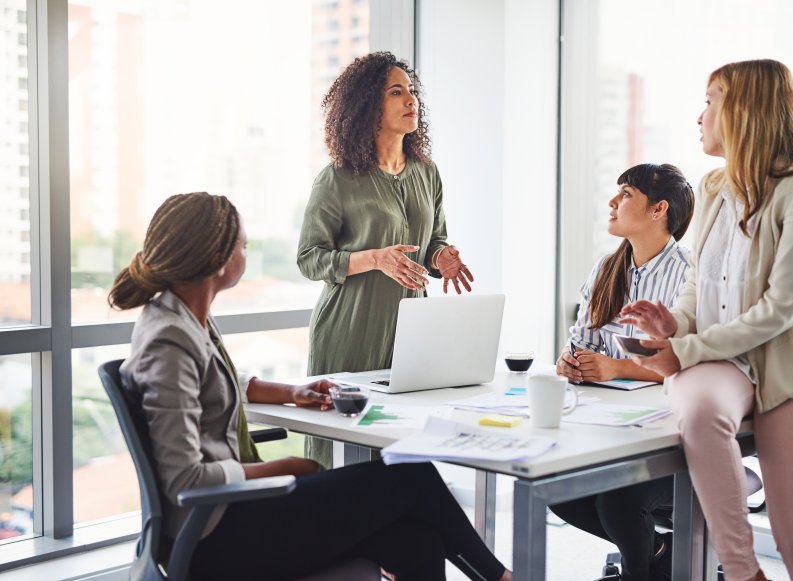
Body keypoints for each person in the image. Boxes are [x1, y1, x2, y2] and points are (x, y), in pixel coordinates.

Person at [110, 192, 510, 581]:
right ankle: (500, 577)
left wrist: (289, 392)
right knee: (409, 475)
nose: (246, 252)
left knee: (416, 542)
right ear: (216, 259)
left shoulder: (184, 316)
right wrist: (284, 467)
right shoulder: (168, 340)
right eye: (243, 245)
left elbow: (216, 381)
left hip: (232, 518)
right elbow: (184, 481)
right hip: (216, 539)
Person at [620, 59, 793, 581]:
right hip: (727, 363)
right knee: (698, 411)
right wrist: (671, 323)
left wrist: (686, 350)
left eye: (710, 101)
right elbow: (702, 289)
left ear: (743, 110)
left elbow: (781, 307)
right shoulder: (717, 187)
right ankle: (744, 573)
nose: (700, 115)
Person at [298, 51, 473, 466]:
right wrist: (374, 258)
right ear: (368, 106)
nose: (411, 100)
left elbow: (433, 241)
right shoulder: (337, 177)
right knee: (342, 460)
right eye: (397, 92)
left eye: (411, 92)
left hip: (409, 334)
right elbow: (309, 258)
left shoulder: (426, 172)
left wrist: (442, 257)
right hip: (349, 332)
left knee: (403, 453)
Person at [550, 163, 694, 581]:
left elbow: (686, 360)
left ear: (658, 209)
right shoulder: (605, 269)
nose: (613, 202)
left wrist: (617, 368)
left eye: (626, 194)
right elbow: (581, 340)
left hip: (669, 440)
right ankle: (659, 555)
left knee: (617, 500)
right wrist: (569, 361)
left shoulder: (688, 275)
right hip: (607, 426)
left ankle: (641, 571)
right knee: (555, 486)